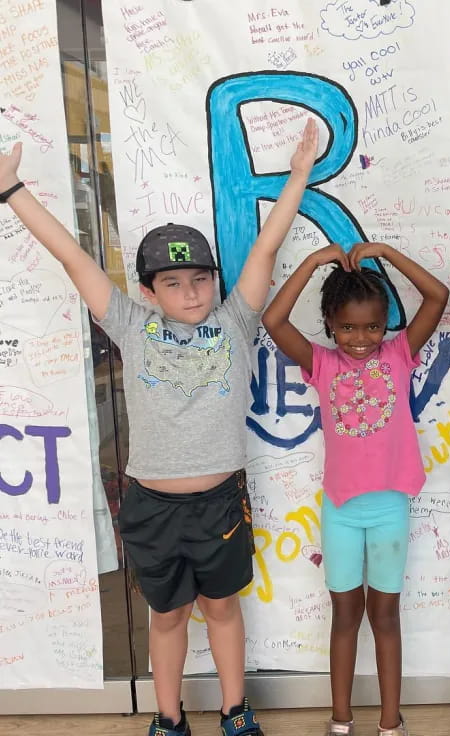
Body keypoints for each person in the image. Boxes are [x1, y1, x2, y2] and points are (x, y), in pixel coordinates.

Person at [0, 119, 321, 736]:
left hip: (222, 504)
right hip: (151, 507)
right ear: (149, 292)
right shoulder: (130, 325)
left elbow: (265, 250)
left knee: (222, 609)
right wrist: (13, 190)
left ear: (215, 283)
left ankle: (235, 710)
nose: (192, 291)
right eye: (173, 283)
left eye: (200, 278)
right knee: (168, 616)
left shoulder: (234, 323)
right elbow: (72, 256)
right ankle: (168, 718)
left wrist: (300, 174)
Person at [262, 241, 449, 736]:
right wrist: (312, 262)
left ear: (387, 322)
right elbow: (274, 321)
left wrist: (386, 253)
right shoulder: (322, 364)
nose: (361, 338)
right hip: (340, 510)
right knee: (345, 615)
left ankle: (391, 722)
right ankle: (340, 720)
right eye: (347, 327)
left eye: (372, 326)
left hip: (390, 508)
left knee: (384, 615)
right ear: (329, 323)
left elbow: (437, 295)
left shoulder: (400, 353)